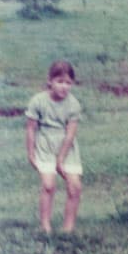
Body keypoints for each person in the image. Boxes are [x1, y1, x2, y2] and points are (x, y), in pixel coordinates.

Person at [25, 60, 84, 234]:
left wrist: (61, 159)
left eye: (68, 83)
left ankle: (68, 227)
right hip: (45, 145)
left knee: (75, 186)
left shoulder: (73, 104)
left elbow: (70, 134)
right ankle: (45, 226)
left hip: (67, 148)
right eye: (59, 82)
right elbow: (30, 129)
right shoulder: (38, 101)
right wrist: (31, 153)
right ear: (50, 81)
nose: (64, 87)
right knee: (48, 185)